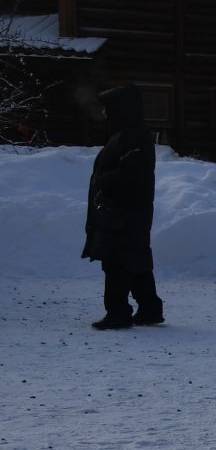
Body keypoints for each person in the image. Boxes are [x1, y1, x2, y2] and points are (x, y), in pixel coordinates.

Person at [82, 84, 163, 330]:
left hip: (123, 212)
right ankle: (150, 309)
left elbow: (131, 173)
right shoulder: (126, 135)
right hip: (125, 212)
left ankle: (118, 312)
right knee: (134, 260)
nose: (105, 114)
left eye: (108, 108)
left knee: (116, 261)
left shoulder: (133, 136)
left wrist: (103, 182)